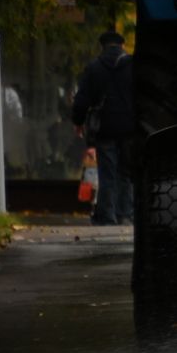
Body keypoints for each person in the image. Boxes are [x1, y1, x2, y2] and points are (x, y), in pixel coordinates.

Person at [70, 31, 135, 225]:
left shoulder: (94, 67)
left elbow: (82, 100)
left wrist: (78, 122)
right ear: (122, 46)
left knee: (107, 173)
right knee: (126, 173)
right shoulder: (133, 66)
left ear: (103, 46)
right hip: (129, 127)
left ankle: (107, 216)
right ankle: (126, 213)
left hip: (104, 127)